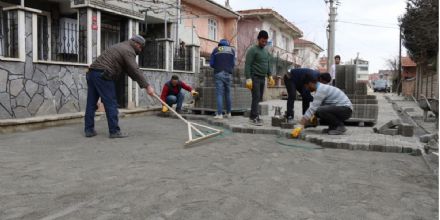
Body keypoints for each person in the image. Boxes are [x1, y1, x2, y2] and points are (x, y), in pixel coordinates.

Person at [85, 35, 155, 138]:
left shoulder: (121, 46)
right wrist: (147, 86)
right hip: (104, 74)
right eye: (140, 47)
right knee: (111, 103)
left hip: (92, 73)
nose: (140, 50)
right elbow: (135, 69)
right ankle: (114, 131)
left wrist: (143, 85)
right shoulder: (128, 50)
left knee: (91, 103)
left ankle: (89, 130)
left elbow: (130, 71)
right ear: (136, 43)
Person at [244, 30, 275, 126]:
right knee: (256, 97)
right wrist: (248, 78)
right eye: (262, 41)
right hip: (255, 77)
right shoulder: (252, 50)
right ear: (258, 39)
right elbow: (247, 64)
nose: (264, 43)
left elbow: (268, 63)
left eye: (266, 41)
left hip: (263, 78)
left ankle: (254, 116)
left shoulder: (266, 51)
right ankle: (254, 117)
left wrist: (270, 76)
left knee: (259, 98)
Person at [210, 39, 235, 119]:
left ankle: (220, 114)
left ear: (219, 44)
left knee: (219, 94)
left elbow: (211, 64)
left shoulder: (216, 50)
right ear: (227, 44)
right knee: (228, 93)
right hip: (228, 73)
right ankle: (228, 113)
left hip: (219, 73)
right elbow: (233, 63)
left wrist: (217, 67)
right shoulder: (232, 50)